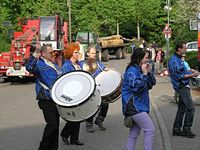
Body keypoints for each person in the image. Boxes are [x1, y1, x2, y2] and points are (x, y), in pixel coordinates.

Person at [26, 43, 60, 150]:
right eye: (50, 52)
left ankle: (54, 148)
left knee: (56, 126)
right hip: (46, 99)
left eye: (53, 52)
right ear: (43, 53)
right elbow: (29, 67)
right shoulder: (39, 65)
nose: (53, 54)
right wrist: (36, 52)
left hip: (55, 99)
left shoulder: (54, 64)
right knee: (52, 125)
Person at [122, 48, 156, 150]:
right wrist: (145, 74)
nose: (148, 60)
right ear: (139, 58)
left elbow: (151, 84)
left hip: (139, 106)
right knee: (150, 129)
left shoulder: (140, 69)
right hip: (135, 106)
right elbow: (137, 88)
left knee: (134, 133)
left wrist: (149, 73)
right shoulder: (132, 71)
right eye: (146, 58)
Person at [168, 41, 199, 138]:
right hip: (181, 86)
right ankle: (186, 129)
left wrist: (190, 70)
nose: (186, 49)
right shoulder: (174, 60)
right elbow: (179, 76)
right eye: (184, 48)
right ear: (179, 49)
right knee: (191, 107)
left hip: (183, 85)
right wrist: (192, 75)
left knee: (182, 108)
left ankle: (176, 129)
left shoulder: (178, 59)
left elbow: (182, 70)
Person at [80, 46, 109, 133]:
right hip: (88, 88)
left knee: (105, 104)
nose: (94, 55)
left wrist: (107, 70)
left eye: (95, 53)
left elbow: (103, 70)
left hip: (99, 87)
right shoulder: (82, 64)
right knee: (91, 106)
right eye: (92, 53)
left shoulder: (98, 63)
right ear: (87, 53)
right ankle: (89, 124)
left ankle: (99, 120)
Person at [60, 42, 84, 145]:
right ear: (71, 53)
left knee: (78, 116)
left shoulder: (78, 65)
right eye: (76, 52)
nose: (78, 54)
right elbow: (66, 81)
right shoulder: (67, 66)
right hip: (71, 93)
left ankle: (74, 138)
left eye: (78, 52)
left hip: (79, 92)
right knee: (74, 116)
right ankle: (65, 134)